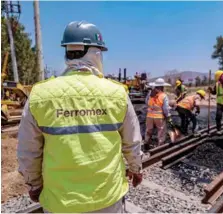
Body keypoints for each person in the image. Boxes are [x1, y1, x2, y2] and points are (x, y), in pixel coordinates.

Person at [17, 21, 143, 213]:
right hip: (106, 198)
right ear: (96, 53)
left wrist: (33, 184)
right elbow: (132, 142)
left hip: (60, 202)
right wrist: (136, 168)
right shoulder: (117, 93)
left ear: (67, 52)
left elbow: (28, 151)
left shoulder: (40, 95)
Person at [144, 78, 173, 150]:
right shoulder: (163, 95)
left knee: (148, 130)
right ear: (162, 87)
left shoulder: (150, 93)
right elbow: (165, 108)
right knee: (161, 132)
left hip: (149, 116)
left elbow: (146, 102)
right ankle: (160, 147)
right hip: (159, 117)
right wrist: (168, 116)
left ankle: (146, 144)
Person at [208, 70, 223, 134]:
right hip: (219, 103)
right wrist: (210, 90)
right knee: (218, 117)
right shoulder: (217, 84)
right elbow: (214, 92)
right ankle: (219, 129)